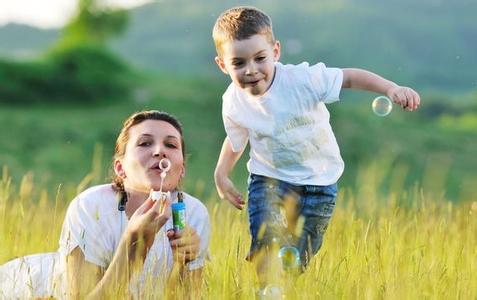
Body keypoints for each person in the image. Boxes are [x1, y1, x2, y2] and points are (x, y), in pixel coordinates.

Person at [212, 5, 420, 287]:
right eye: (238, 63)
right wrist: (221, 173)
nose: (251, 70)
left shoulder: (301, 80)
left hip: (320, 182)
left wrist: (391, 89)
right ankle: (266, 290)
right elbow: (237, 137)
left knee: (300, 254)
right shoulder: (233, 102)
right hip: (268, 179)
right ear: (223, 65)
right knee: (266, 240)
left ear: (275, 52)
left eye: (259, 58)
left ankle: (285, 284)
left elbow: (348, 77)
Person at [0, 110, 210, 299]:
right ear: (120, 168)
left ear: (181, 169)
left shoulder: (193, 213)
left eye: (171, 145)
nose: (160, 151)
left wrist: (184, 264)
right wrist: (132, 246)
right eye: (145, 143)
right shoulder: (91, 206)